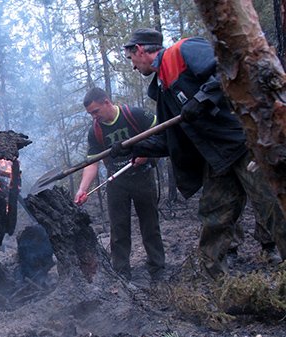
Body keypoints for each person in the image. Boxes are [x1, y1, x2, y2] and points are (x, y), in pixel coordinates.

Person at [122, 28, 286, 278]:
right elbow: (171, 139)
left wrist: (202, 98)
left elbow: (229, 68)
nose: (133, 67)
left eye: (130, 58)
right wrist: (135, 147)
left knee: (274, 208)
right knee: (213, 217)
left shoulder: (184, 50)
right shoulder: (162, 89)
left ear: (140, 50)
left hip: (244, 144)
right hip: (218, 160)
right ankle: (219, 286)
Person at [74, 88, 165, 282]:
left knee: (150, 226)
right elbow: (92, 162)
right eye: (91, 114)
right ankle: (122, 275)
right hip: (117, 181)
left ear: (107, 102)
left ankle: (158, 271)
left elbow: (161, 133)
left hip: (143, 177)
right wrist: (83, 188)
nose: (94, 117)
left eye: (96, 111)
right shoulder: (96, 131)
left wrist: (147, 153)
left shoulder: (135, 115)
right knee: (118, 230)